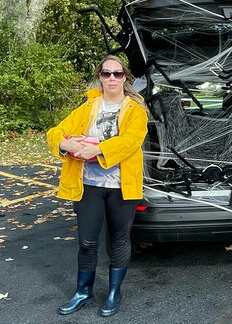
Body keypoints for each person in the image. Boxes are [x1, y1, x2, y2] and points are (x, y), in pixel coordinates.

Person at [47, 55, 149, 317]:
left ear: (125, 77)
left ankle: (114, 293)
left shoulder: (135, 109)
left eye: (117, 73)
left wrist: (91, 150)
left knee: (119, 239)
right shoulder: (88, 107)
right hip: (88, 185)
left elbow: (130, 142)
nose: (112, 78)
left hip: (121, 187)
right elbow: (56, 131)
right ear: (99, 77)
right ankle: (83, 292)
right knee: (87, 243)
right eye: (106, 73)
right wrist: (65, 145)